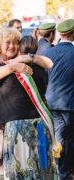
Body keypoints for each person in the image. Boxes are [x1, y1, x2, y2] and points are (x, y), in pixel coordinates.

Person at [0, 27, 53, 180]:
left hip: (6, 119)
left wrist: (30, 57)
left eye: (15, 43)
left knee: (10, 163)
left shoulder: (17, 58)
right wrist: (13, 66)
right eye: (7, 42)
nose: (12, 46)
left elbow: (48, 64)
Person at [42, 19, 74, 180]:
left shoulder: (48, 53)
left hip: (51, 102)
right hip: (69, 104)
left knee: (59, 137)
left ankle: (61, 170)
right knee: (67, 138)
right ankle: (65, 171)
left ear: (60, 33)